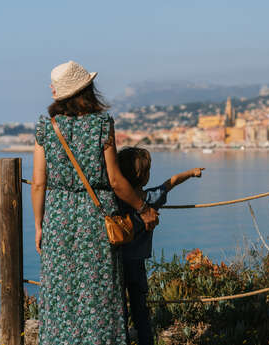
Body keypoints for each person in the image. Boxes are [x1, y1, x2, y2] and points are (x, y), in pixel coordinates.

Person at [31, 61, 159, 345]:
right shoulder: (102, 124)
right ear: (87, 91)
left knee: (61, 293)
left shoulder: (45, 127)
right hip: (96, 221)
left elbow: (39, 182)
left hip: (58, 220)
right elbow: (115, 181)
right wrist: (144, 208)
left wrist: (39, 226)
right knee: (100, 293)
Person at [117, 147, 204, 345]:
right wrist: (191, 173)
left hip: (116, 262)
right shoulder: (150, 199)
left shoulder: (115, 201)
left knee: (119, 310)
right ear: (144, 176)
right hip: (137, 263)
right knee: (141, 311)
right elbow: (171, 182)